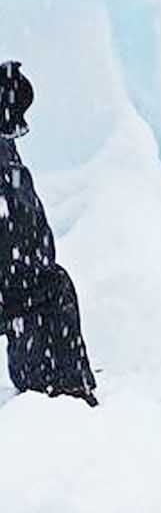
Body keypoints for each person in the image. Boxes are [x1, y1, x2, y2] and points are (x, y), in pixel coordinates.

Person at [0, 60, 97, 404]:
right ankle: (59, 393)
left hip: (27, 283)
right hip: (22, 286)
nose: (20, 128)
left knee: (54, 292)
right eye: (16, 117)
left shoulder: (5, 150)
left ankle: (63, 392)